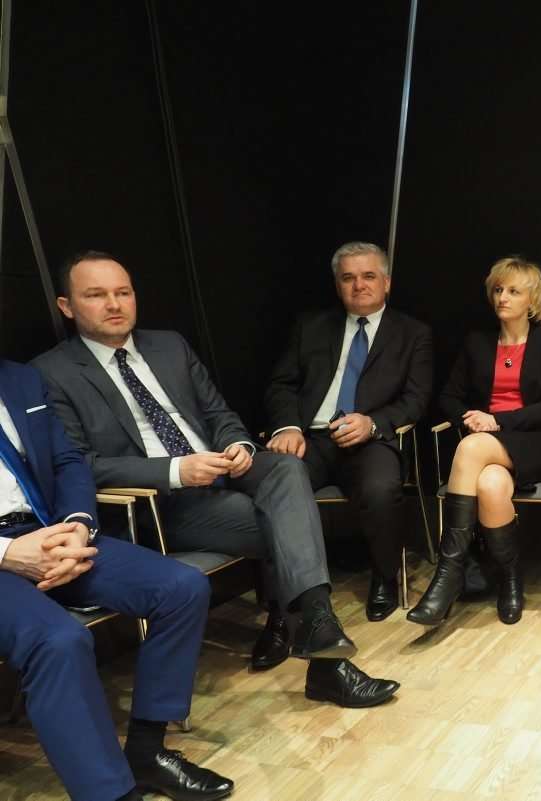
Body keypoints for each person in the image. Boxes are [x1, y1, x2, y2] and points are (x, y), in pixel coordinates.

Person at [32, 252, 398, 708]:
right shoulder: (50, 373)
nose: (114, 304)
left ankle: (310, 627)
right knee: (288, 519)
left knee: (287, 468)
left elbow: (218, 413)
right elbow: (78, 464)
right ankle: (324, 656)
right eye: (96, 295)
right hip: (158, 503)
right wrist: (175, 471)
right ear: (66, 306)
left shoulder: (169, 346)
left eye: (123, 292)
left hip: (222, 469)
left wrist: (238, 445)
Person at [0, 358, 233, 801]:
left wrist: (78, 524)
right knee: (59, 641)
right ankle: (108, 793)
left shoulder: (20, 378)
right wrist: (8, 553)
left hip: (50, 531)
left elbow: (67, 461)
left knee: (181, 588)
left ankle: (147, 751)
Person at [263, 241, 432, 621]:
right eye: (348, 278)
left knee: (380, 488)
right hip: (311, 438)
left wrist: (372, 423)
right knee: (276, 489)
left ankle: (385, 578)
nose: (359, 285)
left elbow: (416, 399)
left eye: (369, 276)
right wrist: (288, 427)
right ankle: (286, 601)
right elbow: (281, 384)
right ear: (337, 284)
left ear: (386, 282)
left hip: (372, 439)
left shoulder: (413, 333)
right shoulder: (310, 327)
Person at [407, 257, 541, 627]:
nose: (502, 297)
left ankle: (448, 574)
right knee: (490, 485)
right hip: (487, 445)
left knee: (471, 446)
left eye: (513, 291)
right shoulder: (477, 343)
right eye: (498, 290)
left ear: (532, 300)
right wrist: (473, 418)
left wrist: (497, 421)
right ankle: (510, 579)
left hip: (537, 441)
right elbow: (449, 397)